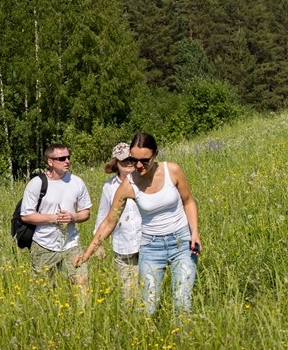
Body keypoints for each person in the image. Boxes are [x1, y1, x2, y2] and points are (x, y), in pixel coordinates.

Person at [74, 133, 201, 315]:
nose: (138, 166)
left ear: (155, 154)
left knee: (182, 302)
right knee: (148, 307)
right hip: (151, 248)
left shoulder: (172, 171)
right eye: (134, 160)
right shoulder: (128, 185)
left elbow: (188, 201)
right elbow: (109, 222)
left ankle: (183, 341)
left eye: (144, 160)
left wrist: (194, 233)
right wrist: (87, 253)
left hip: (181, 241)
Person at [20, 143, 91, 287]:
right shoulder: (37, 183)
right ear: (50, 162)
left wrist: (74, 217)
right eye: (62, 158)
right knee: (42, 291)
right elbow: (26, 216)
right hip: (44, 245)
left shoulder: (77, 182)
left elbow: (86, 212)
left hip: (72, 244)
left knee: (82, 282)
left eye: (68, 157)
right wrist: (54, 218)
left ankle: (83, 310)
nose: (67, 161)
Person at [93, 143, 142, 300]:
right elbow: (103, 216)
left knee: (149, 289)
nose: (128, 163)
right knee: (129, 294)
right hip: (124, 245)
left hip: (147, 242)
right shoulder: (109, 187)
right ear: (116, 164)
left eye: (131, 159)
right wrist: (98, 243)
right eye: (123, 160)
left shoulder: (144, 181)